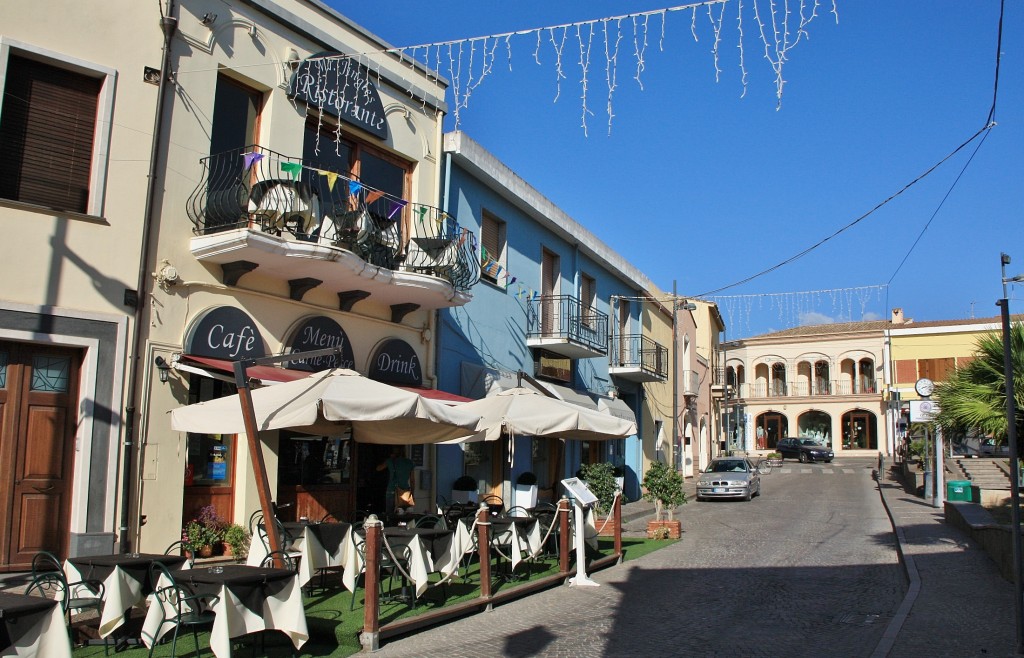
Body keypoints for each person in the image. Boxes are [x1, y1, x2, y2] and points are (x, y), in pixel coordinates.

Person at [376, 447, 415, 514]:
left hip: (391, 490)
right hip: (405, 492)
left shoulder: (390, 461)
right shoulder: (410, 463)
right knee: (404, 516)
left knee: (389, 515)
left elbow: (378, 468)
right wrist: (412, 494)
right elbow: (412, 480)